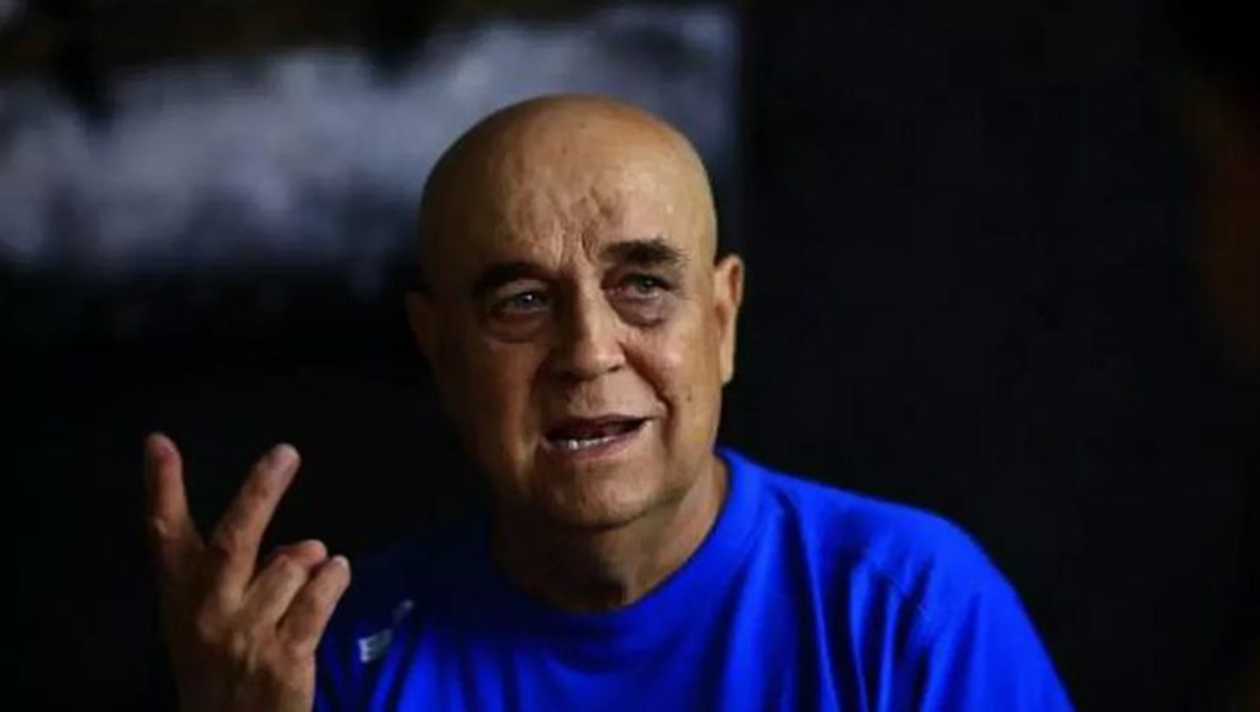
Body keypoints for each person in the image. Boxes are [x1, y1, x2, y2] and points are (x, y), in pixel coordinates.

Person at [142, 95, 1072, 711]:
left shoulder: (907, 613)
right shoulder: (323, 661)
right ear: (441, 354)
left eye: (643, 287)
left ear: (722, 322)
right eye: (522, 302)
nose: (588, 352)